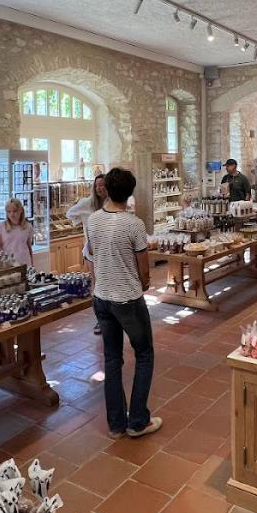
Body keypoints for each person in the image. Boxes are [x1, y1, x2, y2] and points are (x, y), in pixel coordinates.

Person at [84, 168, 160, 440]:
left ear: (106, 189)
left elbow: (92, 254)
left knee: (112, 359)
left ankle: (116, 423)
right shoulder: (133, 224)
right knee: (144, 354)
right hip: (127, 298)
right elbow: (143, 268)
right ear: (130, 192)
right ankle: (137, 420)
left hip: (101, 298)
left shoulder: (93, 220)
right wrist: (144, 283)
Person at [67, 175, 107, 334]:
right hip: (92, 252)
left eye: (103, 185)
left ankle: (110, 318)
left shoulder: (111, 202)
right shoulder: (87, 203)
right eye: (97, 185)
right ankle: (100, 320)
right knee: (97, 284)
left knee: (107, 284)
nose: (100, 188)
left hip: (109, 251)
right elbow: (70, 214)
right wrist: (81, 225)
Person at [0, 199, 34, 267]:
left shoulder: (28, 227)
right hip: (8, 264)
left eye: (14, 211)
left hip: (25, 262)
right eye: (9, 212)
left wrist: (32, 263)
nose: (11, 214)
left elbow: (28, 246)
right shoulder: (0, 227)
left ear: (20, 210)